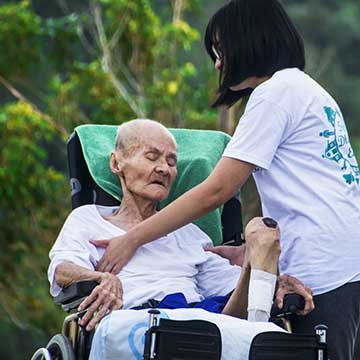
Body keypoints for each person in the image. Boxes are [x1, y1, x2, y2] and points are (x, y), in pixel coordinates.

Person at [91, 1, 360, 360]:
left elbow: (217, 190)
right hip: (346, 259)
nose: (217, 61)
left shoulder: (273, 95)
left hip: (326, 269)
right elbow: (309, 190)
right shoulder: (306, 90)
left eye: (219, 49)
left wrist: (133, 238)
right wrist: (248, 254)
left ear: (249, 40)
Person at [48, 120, 313, 340]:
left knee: (260, 232)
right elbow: (62, 270)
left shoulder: (190, 234)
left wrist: (273, 282)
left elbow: (228, 287)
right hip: (133, 324)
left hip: (200, 322)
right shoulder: (87, 219)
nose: (164, 168)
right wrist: (101, 278)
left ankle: (254, 329)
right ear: (117, 164)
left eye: (172, 162)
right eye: (151, 157)